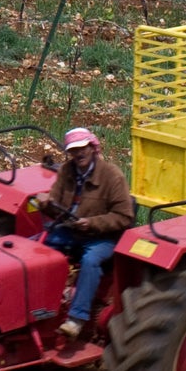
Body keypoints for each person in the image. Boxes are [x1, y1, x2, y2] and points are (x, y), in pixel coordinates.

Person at [38, 127, 133, 339]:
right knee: (36, 248)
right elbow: (56, 205)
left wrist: (91, 223)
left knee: (91, 261)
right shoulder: (66, 171)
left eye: (82, 148)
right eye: (73, 151)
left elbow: (124, 216)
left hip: (104, 237)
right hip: (72, 230)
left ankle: (76, 318)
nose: (78, 154)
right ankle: (41, 305)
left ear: (92, 147)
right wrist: (45, 204)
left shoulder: (112, 176)